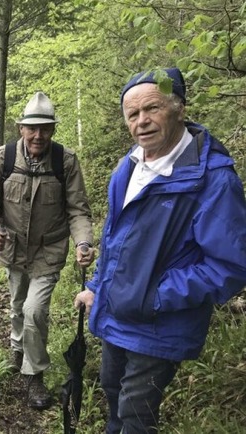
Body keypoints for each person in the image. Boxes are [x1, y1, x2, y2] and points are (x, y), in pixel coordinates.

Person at [73, 67, 246, 433]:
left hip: (158, 324)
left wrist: (155, 296)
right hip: (116, 315)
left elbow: (230, 266)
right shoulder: (128, 167)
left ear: (179, 108)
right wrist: (98, 286)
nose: (142, 122)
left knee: (137, 415)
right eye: (132, 114)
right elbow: (115, 240)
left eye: (152, 108)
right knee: (112, 395)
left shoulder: (212, 179)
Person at [0, 91, 95, 409]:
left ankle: (33, 375)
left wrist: (83, 242)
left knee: (34, 311)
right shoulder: (4, 158)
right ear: (21, 129)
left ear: (53, 130)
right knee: (18, 307)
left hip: (49, 251)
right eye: (32, 128)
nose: (38, 135)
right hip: (13, 250)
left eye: (45, 128)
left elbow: (78, 211)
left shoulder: (65, 161)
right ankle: (18, 347)